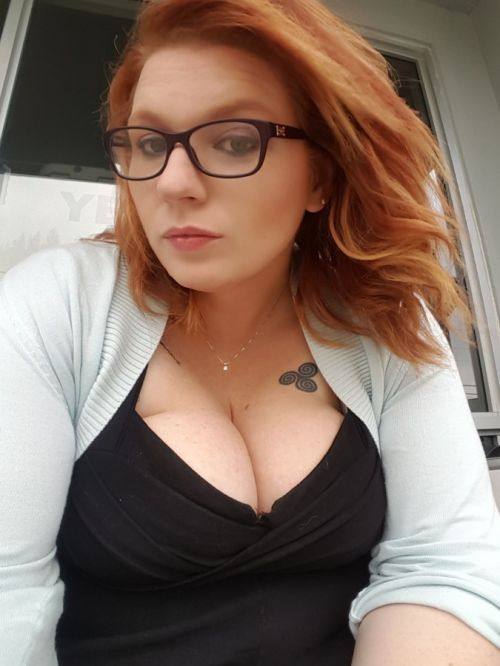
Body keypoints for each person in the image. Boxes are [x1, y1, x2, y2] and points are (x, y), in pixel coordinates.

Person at [1, 0, 499, 664]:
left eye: (234, 141)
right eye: (149, 143)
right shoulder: (57, 304)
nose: (173, 183)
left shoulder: (385, 322)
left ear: (320, 175)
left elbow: (445, 566)